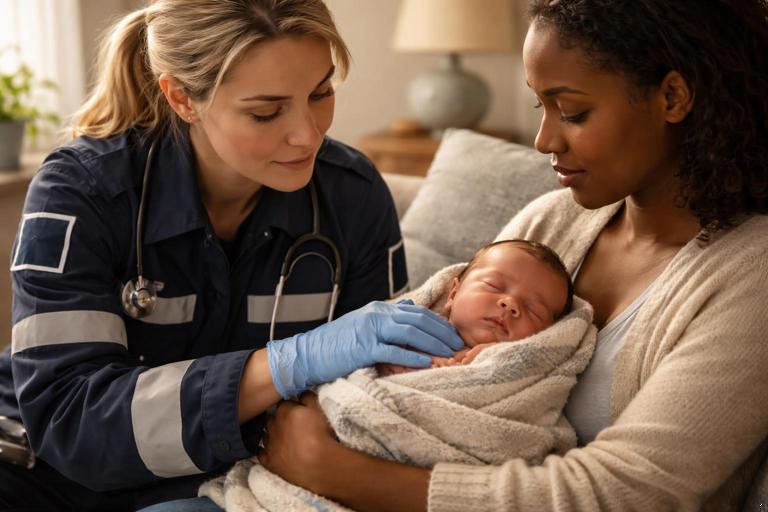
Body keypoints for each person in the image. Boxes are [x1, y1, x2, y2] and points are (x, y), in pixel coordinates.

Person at [257, 1, 768, 511]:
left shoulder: (752, 276)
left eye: (572, 112)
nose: (545, 140)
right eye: (539, 108)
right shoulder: (552, 219)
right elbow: (406, 335)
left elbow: (630, 492)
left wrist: (338, 471)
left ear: (672, 97)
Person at [0, 1, 464, 511]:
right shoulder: (81, 191)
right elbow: (73, 423)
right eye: (265, 112)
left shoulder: (352, 197)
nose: (308, 134)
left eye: (321, 93)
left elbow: (367, 406)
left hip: (219, 487)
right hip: (36, 474)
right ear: (181, 97)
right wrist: (290, 363)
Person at [377, 239, 574, 376]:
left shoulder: (519, 366)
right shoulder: (415, 328)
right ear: (453, 294)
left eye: (533, 310)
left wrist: (496, 362)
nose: (510, 303)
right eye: (493, 285)